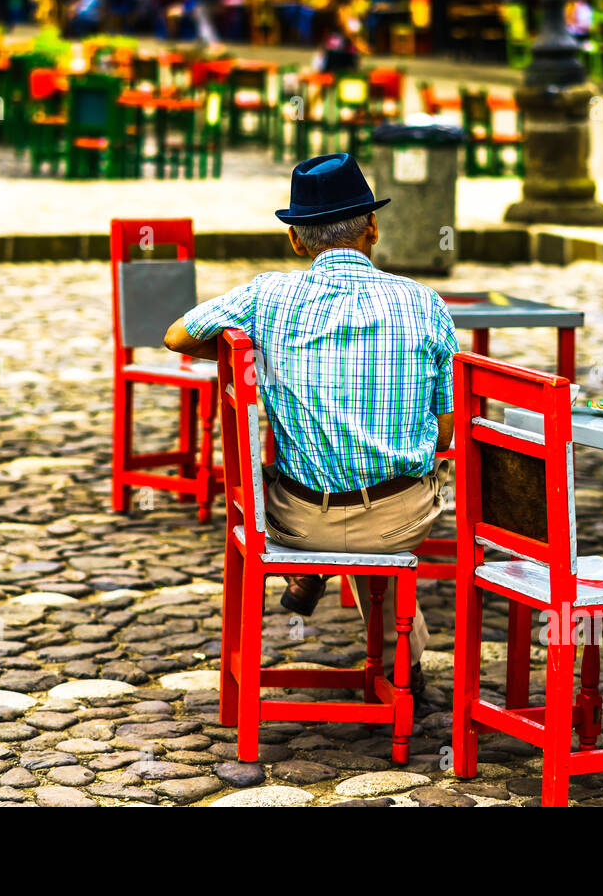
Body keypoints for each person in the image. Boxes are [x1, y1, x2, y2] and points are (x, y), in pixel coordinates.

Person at [162, 153, 458, 694]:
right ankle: (401, 665)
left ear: (296, 241)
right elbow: (444, 434)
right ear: (373, 227)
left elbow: (176, 335)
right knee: (400, 493)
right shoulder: (426, 303)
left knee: (312, 469)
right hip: (399, 521)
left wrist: (248, 353)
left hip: (295, 519)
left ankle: (311, 569)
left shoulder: (266, 296)